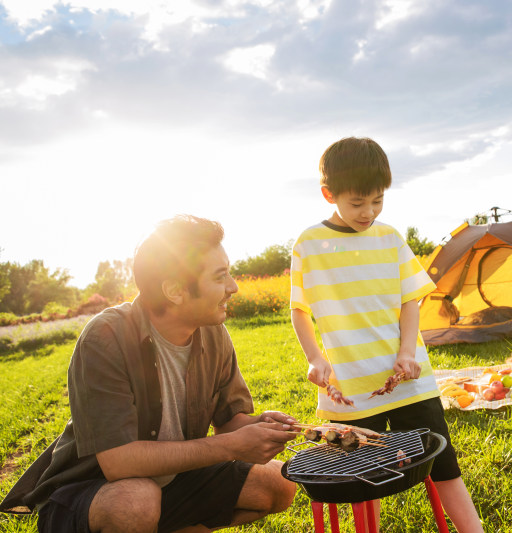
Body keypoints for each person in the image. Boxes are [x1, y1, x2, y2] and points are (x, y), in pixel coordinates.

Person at [1, 215, 297, 532]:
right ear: (175, 291)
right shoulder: (105, 338)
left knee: (280, 483)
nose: (233, 287)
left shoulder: (213, 333)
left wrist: (261, 428)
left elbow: (229, 424)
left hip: (170, 483)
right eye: (220, 276)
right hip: (92, 493)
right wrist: (231, 447)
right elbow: (119, 462)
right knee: (136, 501)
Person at [290, 137, 483, 533]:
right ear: (329, 194)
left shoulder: (390, 237)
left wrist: (407, 351)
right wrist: (315, 357)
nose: (369, 212)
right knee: (364, 481)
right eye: (357, 202)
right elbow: (299, 309)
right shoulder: (310, 245)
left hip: (409, 378)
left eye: (377, 201)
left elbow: (410, 301)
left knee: (444, 467)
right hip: (352, 384)